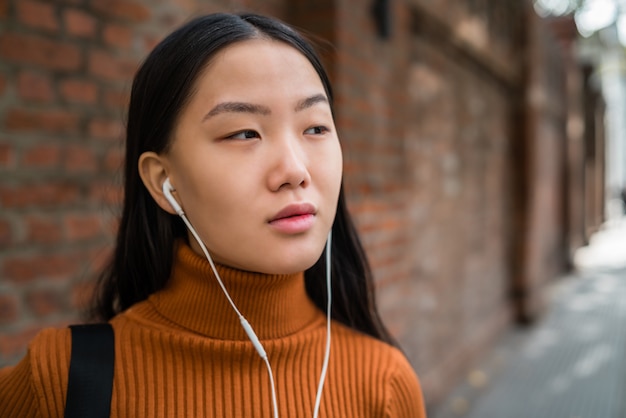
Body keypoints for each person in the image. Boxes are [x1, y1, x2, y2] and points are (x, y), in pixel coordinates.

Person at [0, 12, 426, 417]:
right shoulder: (59, 380)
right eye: (244, 133)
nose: (295, 170)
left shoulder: (383, 383)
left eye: (315, 127)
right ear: (164, 180)